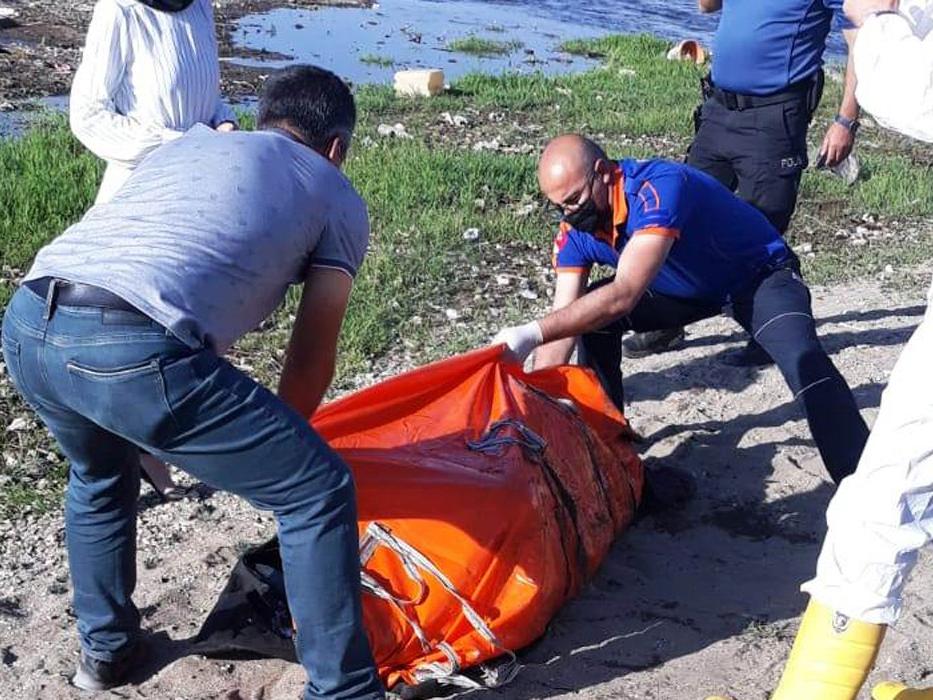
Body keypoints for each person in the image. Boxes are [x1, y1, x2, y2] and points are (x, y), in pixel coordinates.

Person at [1, 65, 385, 699]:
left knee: (99, 476)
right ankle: (345, 692)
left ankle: (106, 655)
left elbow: (181, 266)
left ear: (265, 119)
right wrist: (283, 457)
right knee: (317, 489)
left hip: (29, 321)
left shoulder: (193, 145)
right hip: (129, 339)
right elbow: (312, 350)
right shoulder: (334, 191)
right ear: (337, 148)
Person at [704, 1, 933, 698]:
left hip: (773, 115)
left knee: (884, 496)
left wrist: (873, 19)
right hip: (723, 109)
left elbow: (912, 89)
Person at [491, 134, 870, 486]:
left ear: (603, 173)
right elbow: (562, 324)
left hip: (758, 277)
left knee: (806, 365)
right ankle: (613, 453)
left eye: (574, 200)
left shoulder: (658, 188)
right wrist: (535, 399)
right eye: (558, 206)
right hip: (684, 292)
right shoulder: (575, 231)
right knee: (590, 321)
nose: (569, 214)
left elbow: (624, 294)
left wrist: (531, 332)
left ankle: (862, 485)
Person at [625, 0, 862, 365]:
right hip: (718, 110)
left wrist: (846, 121)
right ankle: (667, 322)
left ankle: (778, 334)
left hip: (774, 117)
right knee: (680, 215)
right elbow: (707, 7)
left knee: (763, 231)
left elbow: (860, 37)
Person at [70, 0, 239, 499]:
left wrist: (225, 125)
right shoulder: (121, 10)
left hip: (195, 194)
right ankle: (114, 458)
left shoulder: (199, 7)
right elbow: (89, 116)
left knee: (188, 328)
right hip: (138, 201)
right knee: (127, 334)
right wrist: (176, 145)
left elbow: (209, 101)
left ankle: (150, 445)